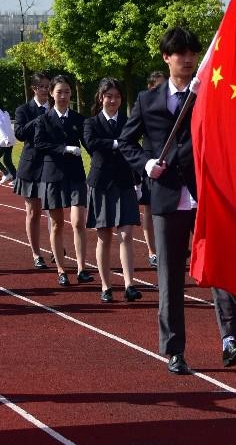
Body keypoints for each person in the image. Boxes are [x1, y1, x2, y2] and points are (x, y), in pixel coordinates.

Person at [119, 27, 236, 375]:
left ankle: (231, 339)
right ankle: (174, 349)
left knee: (217, 267)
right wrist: (147, 163)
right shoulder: (148, 101)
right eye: (181, 53)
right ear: (167, 57)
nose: (188, 59)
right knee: (170, 277)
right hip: (165, 201)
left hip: (205, 196)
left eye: (193, 53)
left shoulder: (211, 93)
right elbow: (127, 143)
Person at [83, 78, 143, 303]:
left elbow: (134, 149)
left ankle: (129, 284)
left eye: (117, 97)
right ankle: (106, 286)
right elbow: (91, 142)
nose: (113, 100)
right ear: (101, 98)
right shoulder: (92, 123)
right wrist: (116, 143)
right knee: (104, 236)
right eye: (109, 96)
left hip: (124, 182)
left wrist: (137, 182)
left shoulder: (128, 122)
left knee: (126, 234)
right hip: (101, 184)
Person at [32, 75, 93, 287]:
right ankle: (61, 269)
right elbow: (39, 144)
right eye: (59, 92)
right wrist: (63, 149)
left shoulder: (78, 119)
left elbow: (90, 144)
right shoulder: (43, 119)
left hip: (75, 175)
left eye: (67, 92)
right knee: (57, 224)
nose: (64, 96)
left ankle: (82, 268)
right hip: (53, 176)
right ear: (51, 93)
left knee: (78, 222)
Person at [13, 72, 53, 269]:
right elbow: (19, 133)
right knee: (33, 212)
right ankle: (36, 253)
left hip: (53, 165)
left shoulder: (56, 108)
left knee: (53, 211)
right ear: (34, 89)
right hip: (30, 167)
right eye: (43, 86)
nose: (46, 90)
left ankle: (56, 246)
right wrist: (39, 120)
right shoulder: (24, 110)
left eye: (48, 86)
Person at [140, 70, 165, 268]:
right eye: (157, 86)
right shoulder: (144, 106)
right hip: (150, 163)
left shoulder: (173, 105)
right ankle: (152, 250)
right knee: (149, 209)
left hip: (170, 164)